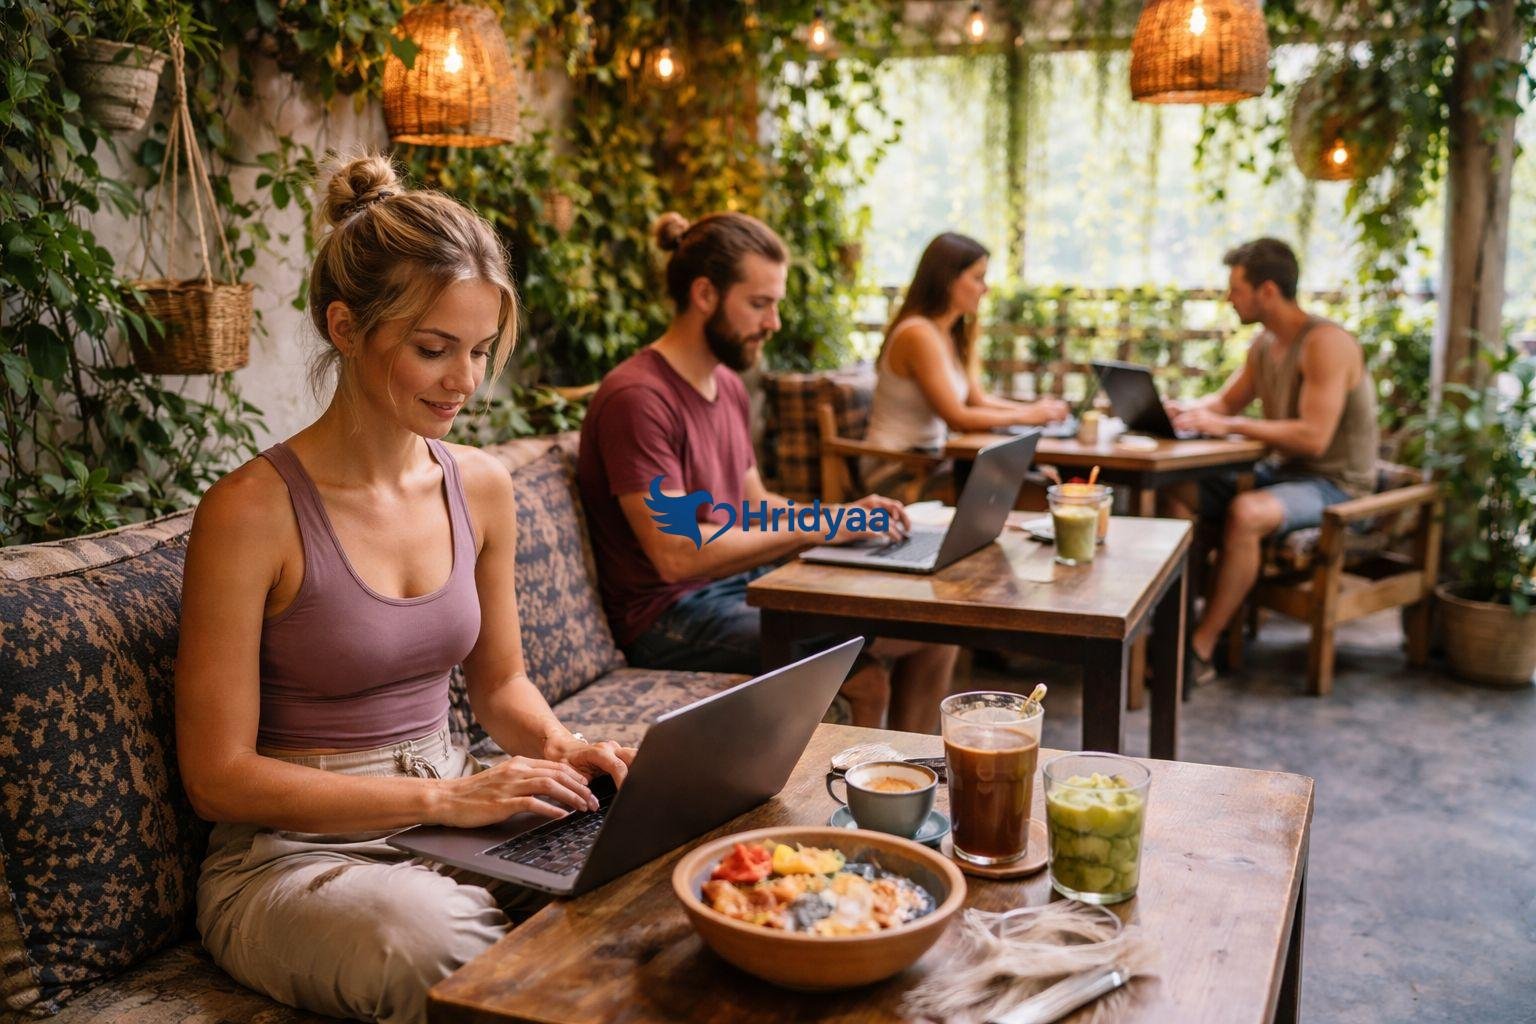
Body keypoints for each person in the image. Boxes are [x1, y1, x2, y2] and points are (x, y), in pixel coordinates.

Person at [175, 155, 635, 1024]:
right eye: (433, 349)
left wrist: (561, 744)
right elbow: (218, 779)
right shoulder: (248, 513)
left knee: (649, 857)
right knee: (440, 941)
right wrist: (443, 797)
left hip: (454, 814)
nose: (464, 381)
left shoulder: (482, 484)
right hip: (293, 859)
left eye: (479, 351)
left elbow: (500, 687)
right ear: (345, 328)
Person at [576, 211, 959, 733]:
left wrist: (843, 517)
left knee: (934, 631)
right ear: (705, 294)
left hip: (738, 585)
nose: (773, 323)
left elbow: (755, 503)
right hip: (670, 617)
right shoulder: (637, 397)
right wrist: (820, 528)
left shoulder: (727, 385)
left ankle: (915, 790)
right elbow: (676, 552)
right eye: (759, 304)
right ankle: (864, 810)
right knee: (866, 680)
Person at [1160, 237, 1379, 683]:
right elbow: (1226, 404)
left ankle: (1201, 650)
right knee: (1176, 491)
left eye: (1236, 288)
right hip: (1282, 476)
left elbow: (1313, 438)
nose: (1228, 298)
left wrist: (1234, 426)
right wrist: (1186, 410)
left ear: (1268, 292)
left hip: (1336, 486)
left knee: (1246, 512)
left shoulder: (1326, 343)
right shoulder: (1265, 344)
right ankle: (1171, 631)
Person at [860, 232, 1069, 497]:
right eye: (978, 277)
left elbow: (977, 399)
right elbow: (958, 417)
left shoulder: (948, 334)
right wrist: (1028, 416)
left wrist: (1036, 411)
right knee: (1035, 492)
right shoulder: (917, 334)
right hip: (895, 470)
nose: (986, 288)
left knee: (1044, 482)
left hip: (931, 462)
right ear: (948, 280)